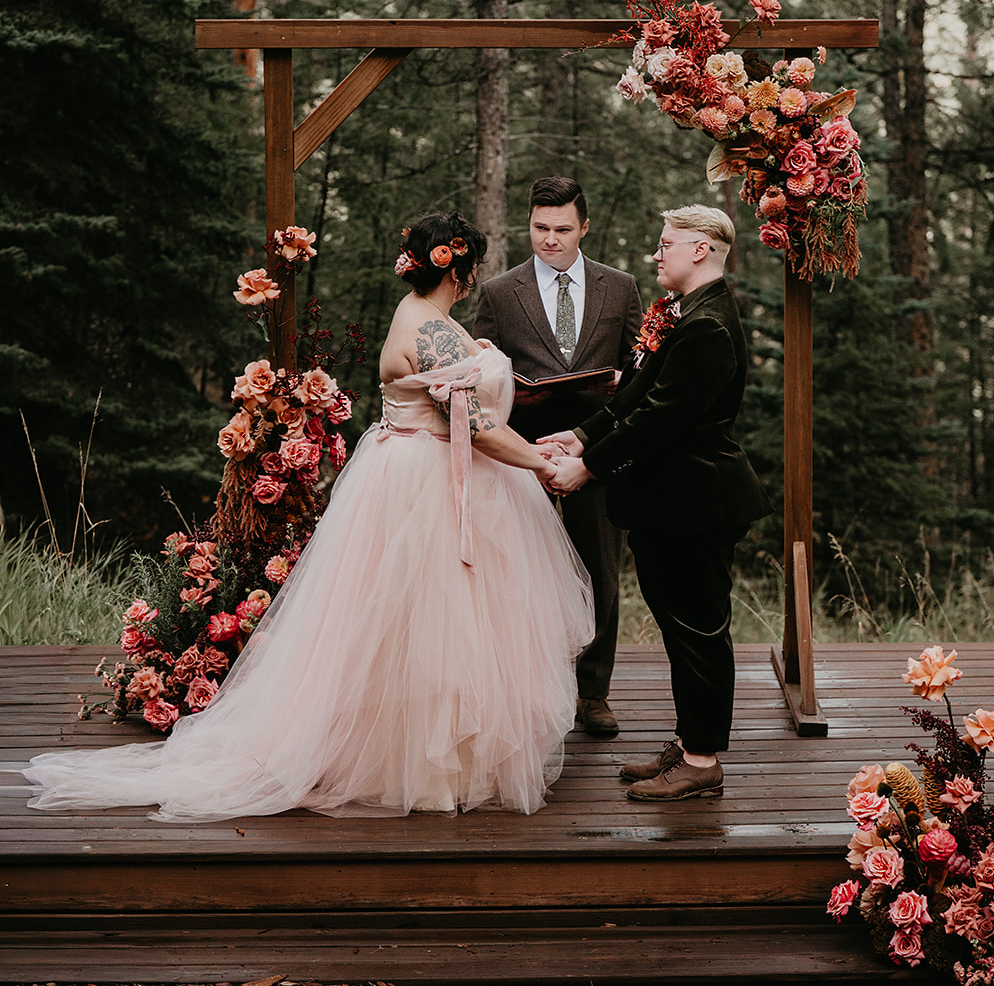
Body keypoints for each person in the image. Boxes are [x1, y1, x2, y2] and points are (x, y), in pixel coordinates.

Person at [22, 212, 594, 822]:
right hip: (430, 482)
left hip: (401, 471)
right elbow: (475, 427)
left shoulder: (418, 318)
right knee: (434, 623)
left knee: (400, 623)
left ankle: (414, 754)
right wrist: (538, 461)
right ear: (462, 267)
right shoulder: (437, 334)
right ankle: (423, 765)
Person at [544, 204, 772, 801]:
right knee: (678, 630)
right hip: (665, 504)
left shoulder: (708, 325)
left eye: (666, 243)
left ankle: (701, 761)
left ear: (700, 250)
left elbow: (661, 420)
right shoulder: (680, 313)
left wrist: (586, 469)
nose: (656, 252)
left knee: (698, 632)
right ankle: (689, 739)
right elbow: (637, 393)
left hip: (695, 503)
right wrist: (582, 435)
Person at [473, 177, 643, 739]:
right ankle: (533, 688)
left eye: (562, 229)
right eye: (540, 228)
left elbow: (641, 373)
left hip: (597, 453)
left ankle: (593, 694)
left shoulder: (620, 288)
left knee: (599, 572)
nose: (549, 239)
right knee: (524, 576)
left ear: (585, 227)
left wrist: (617, 393)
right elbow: (480, 375)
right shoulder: (500, 292)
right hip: (522, 457)